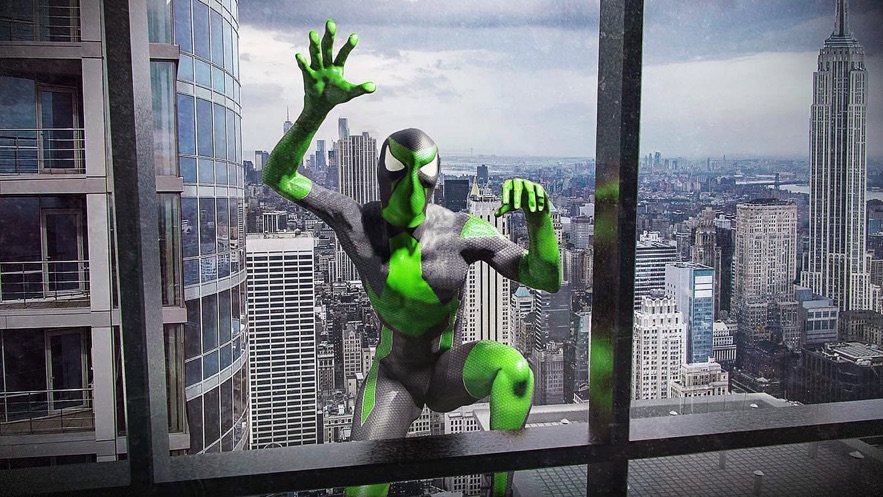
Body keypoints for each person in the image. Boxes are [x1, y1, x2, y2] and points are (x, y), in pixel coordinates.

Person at [262, 19, 561, 497]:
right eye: (398, 172)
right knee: (361, 489)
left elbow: (545, 277)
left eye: (421, 177)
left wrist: (540, 220)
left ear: (436, 181)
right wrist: (312, 113)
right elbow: (279, 176)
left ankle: (502, 492)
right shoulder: (357, 222)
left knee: (515, 370)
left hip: (447, 370)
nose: (409, 188)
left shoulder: (462, 232)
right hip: (395, 378)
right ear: (381, 175)